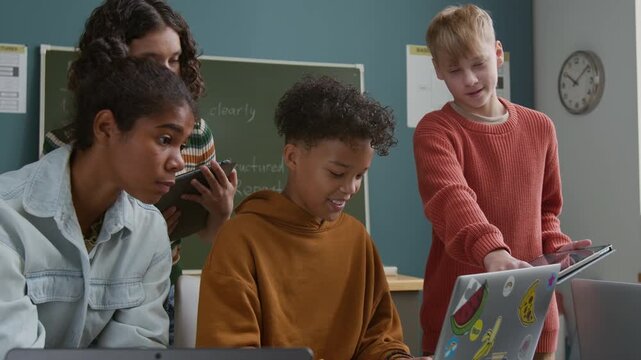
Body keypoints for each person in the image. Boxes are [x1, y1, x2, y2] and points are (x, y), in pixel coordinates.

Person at [41, 0, 237, 343]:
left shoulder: (197, 135)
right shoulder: (63, 151)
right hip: (80, 292)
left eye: (174, 60)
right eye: (150, 60)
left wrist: (219, 213)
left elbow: (208, 236)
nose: (166, 73)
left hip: (158, 287)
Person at [195, 76, 422, 359]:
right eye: (337, 173)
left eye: (360, 175)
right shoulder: (240, 241)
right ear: (292, 158)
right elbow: (230, 352)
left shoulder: (356, 239)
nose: (350, 188)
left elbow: (379, 339)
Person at [412, 5, 591, 359]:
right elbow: (452, 198)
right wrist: (492, 252)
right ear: (437, 71)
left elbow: (546, 211)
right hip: (462, 319)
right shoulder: (436, 130)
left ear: (498, 54)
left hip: (533, 316)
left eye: (478, 64)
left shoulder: (540, 127)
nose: (470, 79)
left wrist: (556, 248)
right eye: (454, 70)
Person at [0, 38, 196, 357]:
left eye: (182, 145)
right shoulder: (7, 217)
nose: (179, 162)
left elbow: (138, 352)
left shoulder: (150, 232)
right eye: (165, 139)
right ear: (106, 127)